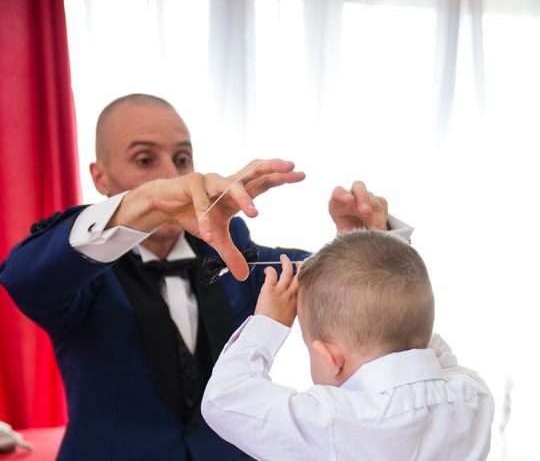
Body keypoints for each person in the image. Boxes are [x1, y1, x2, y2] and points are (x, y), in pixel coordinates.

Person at [0, 94, 408, 461]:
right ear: (100, 177)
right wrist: (145, 203)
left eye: (182, 160)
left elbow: (340, 282)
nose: (170, 175)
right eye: (145, 160)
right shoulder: (81, 270)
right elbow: (23, 278)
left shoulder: (236, 256)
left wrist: (364, 243)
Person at [202, 230, 494, 461]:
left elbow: (223, 399)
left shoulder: (335, 422)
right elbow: (412, 330)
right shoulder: (472, 395)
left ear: (331, 357)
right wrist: (376, 252)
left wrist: (269, 322)